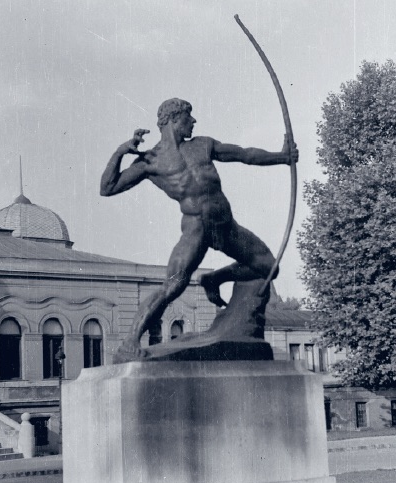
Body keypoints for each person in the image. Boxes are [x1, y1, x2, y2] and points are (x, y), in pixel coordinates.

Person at [100, 98, 298, 360]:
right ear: (174, 119)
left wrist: (281, 157)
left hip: (226, 226)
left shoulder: (203, 145)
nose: (193, 121)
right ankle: (130, 342)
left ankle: (214, 278)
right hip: (196, 229)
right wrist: (120, 152)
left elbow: (244, 154)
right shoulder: (150, 161)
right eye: (188, 117)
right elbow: (108, 188)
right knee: (173, 286)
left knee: (269, 266)